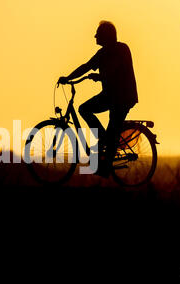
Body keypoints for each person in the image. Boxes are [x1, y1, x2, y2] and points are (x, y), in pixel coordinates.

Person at [58, 20, 138, 176]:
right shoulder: (102, 53)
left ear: (106, 36)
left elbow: (115, 71)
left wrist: (100, 76)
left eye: (98, 33)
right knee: (84, 109)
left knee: (113, 127)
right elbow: (86, 66)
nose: (95, 36)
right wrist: (68, 78)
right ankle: (104, 139)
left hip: (123, 97)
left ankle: (106, 163)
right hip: (109, 95)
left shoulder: (121, 49)